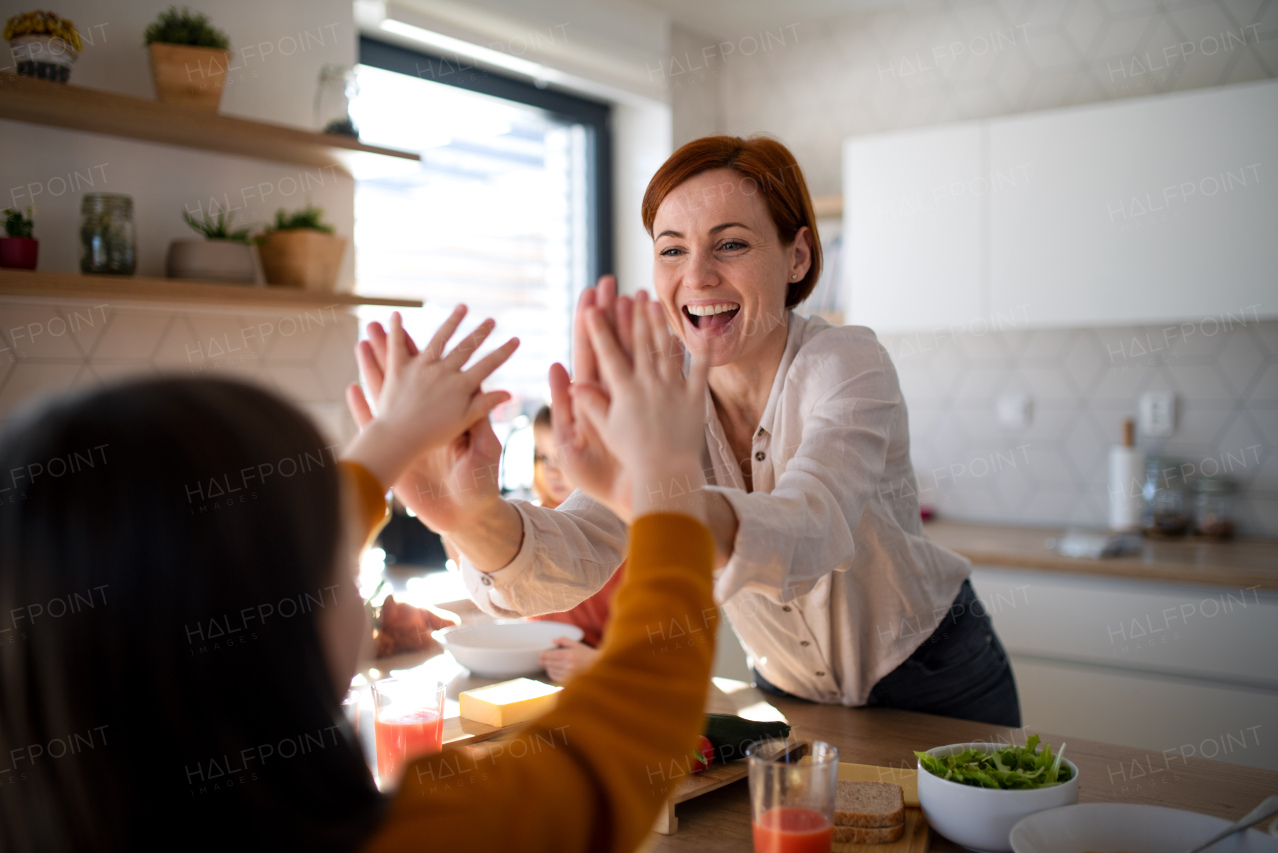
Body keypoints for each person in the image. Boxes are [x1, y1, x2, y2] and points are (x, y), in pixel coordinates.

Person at [354, 135, 1021, 728]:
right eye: (672, 250)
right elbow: (582, 546)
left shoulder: (847, 363)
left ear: (796, 257)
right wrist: (470, 516)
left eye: (730, 244)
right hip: (788, 691)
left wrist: (662, 496)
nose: (697, 276)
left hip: (938, 672)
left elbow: (814, 527)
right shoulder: (658, 392)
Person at [0, 303, 717, 853]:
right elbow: (634, 720)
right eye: (340, 571)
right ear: (274, 638)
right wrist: (667, 484)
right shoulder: (434, 834)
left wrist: (390, 444)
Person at [526, 404, 622, 682]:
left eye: (565, 457)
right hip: (543, 672)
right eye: (545, 457)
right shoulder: (533, 521)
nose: (553, 471)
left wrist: (598, 661)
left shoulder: (618, 529)